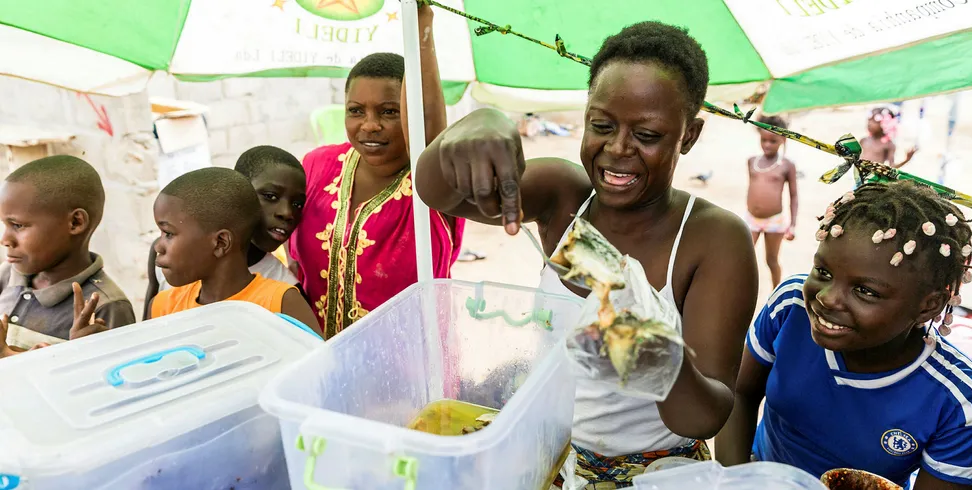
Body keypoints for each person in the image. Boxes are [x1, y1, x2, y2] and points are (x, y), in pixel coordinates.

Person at [415, 21, 758, 487]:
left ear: (689, 136)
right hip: (550, 458)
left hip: (653, 473)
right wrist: (483, 124)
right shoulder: (564, 198)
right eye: (601, 125)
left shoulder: (713, 239)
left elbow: (704, 417)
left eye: (648, 135)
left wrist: (659, 359)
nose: (617, 149)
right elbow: (439, 193)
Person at [716, 181, 972, 490]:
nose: (827, 298)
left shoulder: (958, 402)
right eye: (824, 273)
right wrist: (734, 481)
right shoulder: (792, 308)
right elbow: (741, 393)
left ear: (928, 306)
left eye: (865, 291)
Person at [288, 3, 464, 338]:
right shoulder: (317, 165)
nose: (369, 125)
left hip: (410, 369)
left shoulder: (433, 183)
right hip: (318, 364)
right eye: (356, 110)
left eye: (389, 112)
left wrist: (421, 26)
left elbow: (428, 132)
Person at [147, 167, 321, 336]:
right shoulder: (163, 308)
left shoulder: (280, 304)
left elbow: (324, 365)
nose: (158, 247)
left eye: (168, 234)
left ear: (220, 243)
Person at [0, 156, 135, 358]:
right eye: (5, 225)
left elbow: (112, 380)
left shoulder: (106, 307)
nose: (5, 239)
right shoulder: (7, 274)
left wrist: (76, 353)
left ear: (75, 223)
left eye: (18, 226)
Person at [746, 114, 798, 289]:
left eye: (773, 141)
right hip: (752, 218)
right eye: (764, 140)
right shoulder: (752, 161)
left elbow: (794, 196)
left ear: (783, 139)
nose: (767, 144)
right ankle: (740, 289)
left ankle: (775, 291)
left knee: (771, 259)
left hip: (775, 221)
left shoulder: (786, 165)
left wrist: (793, 225)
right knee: (745, 255)